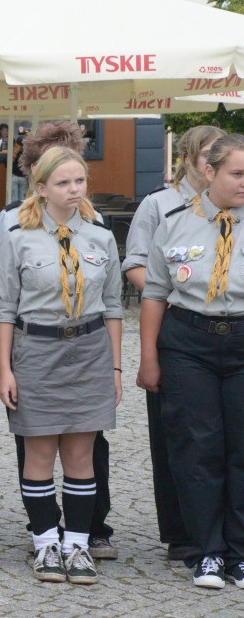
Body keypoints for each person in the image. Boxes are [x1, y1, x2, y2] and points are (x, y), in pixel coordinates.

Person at [0, 121, 119, 561]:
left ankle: (78, 545)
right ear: (41, 187)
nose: (74, 189)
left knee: (82, 456)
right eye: (63, 182)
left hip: (89, 350)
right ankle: (46, 543)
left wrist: (115, 368)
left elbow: (114, 306)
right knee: (40, 452)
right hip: (37, 350)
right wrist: (4, 368)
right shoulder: (17, 239)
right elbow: (3, 308)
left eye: (80, 180)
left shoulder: (101, 237)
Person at [138, 133, 244, 590]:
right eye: (237, 173)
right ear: (210, 172)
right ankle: (206, 552)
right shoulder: (175, 221)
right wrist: (147, 359)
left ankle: (240, 551)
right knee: (197, 447)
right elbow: (155, 293)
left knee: (241, 447)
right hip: (187, 342)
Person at [122, 125, 224, 562]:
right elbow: (135, 265)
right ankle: (182, 532)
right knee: (178, 433)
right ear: (187, 157)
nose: (212, 161)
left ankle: (227, 531)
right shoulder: (159, 205)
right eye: (206, 153)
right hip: (174, 324)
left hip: (225, 326)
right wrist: (178, 293)